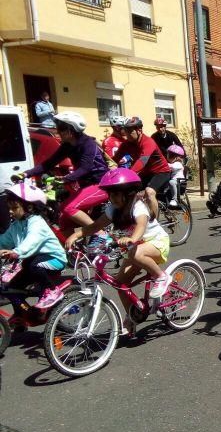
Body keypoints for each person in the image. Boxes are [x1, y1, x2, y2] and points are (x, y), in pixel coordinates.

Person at [65, 168, 171, 337]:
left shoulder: (138, 208)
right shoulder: (112, 209)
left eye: (115, 194)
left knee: (135, 253)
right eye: (110, 195)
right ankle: (132, 315)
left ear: (129, 194)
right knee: (120, 284)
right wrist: (77, 234)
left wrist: (132, 239)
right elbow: (95, 226)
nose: (111, 198)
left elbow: (141, 226)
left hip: (156, 243)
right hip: (135, 248)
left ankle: (161, 276)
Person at [18, 111, 109, 234]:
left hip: (101, 184)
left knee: (68, 207)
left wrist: (65, 179)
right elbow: (48, 163)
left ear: (70, 130)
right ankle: (72, 250)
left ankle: (101, 235)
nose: (57, 131)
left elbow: (85, 168)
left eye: (60, 129)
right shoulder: (67, 145)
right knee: (64, 222)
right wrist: (26, 173)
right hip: (86, 185)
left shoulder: (88, 144)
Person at [0, 182, 68, 319]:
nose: (10, 211)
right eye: (9, 208)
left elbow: (31, 242)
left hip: (54, 259)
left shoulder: (36, 222)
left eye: (15, 207)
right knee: (11, 288)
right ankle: (23, 314)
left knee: (33, 264)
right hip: (31, 262)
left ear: (29, 207)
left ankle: (52, 291)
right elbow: (4, 241)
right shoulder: (16, 225)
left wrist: (16, 252)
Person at [113, 116, 172, 210]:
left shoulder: (148, 142)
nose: (126, 134)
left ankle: (153, 223)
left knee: (149, 192)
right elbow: (114, 160)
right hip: (146, 173)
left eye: (129, 131)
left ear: (139, 130)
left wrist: (129, 174)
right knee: (127, 192)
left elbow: (142, 161)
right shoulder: (126, 144)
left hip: (161, 172)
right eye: (125, 131)